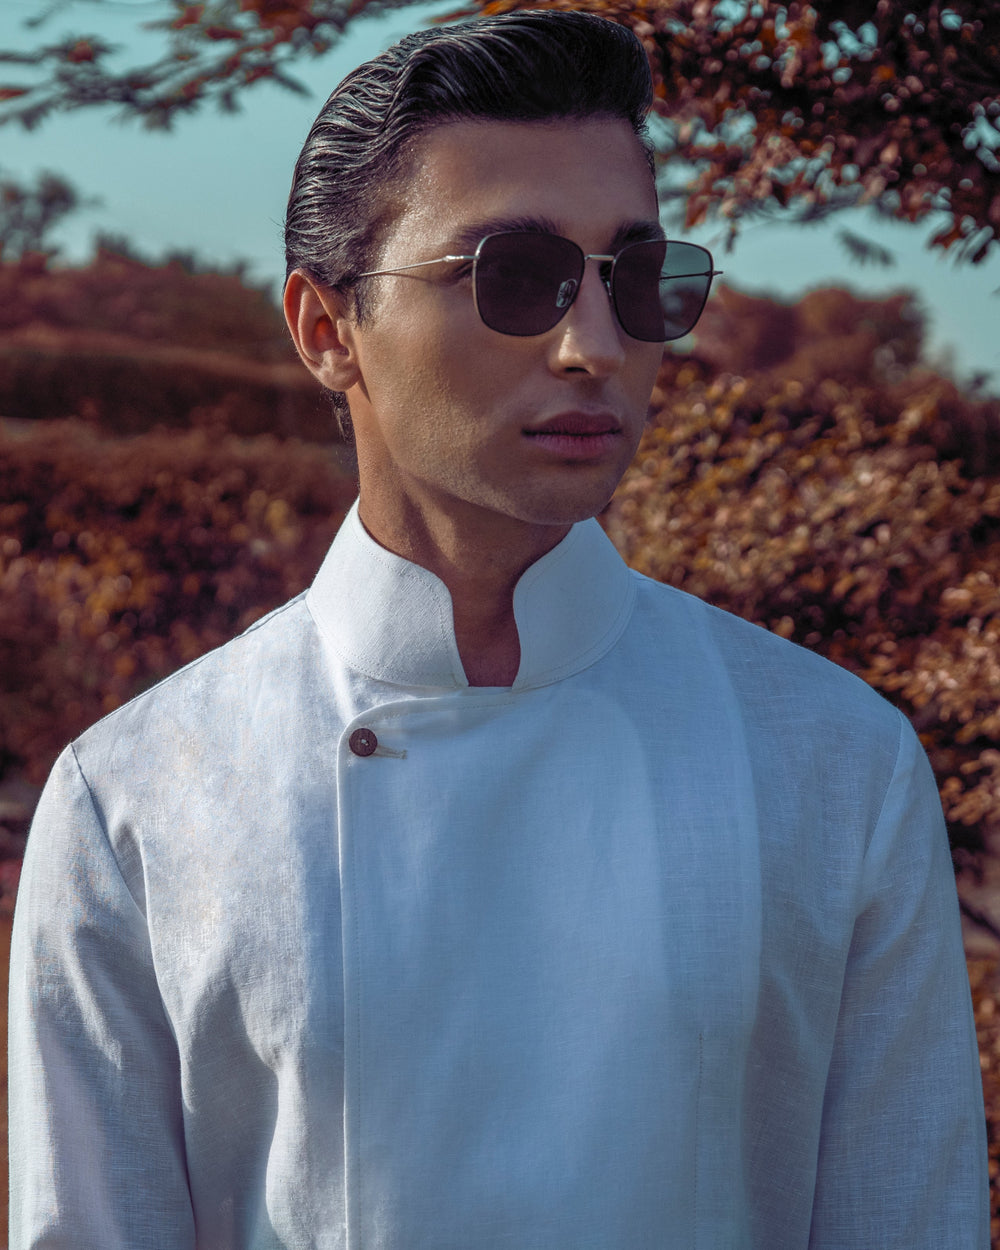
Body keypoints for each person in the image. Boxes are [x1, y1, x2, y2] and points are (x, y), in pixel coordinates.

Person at [9, 10, 988, 1248]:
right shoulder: (134, 799)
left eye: (634, 280)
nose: (593, 347)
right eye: (513, 278)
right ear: (325, 330)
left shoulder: (833, 761)